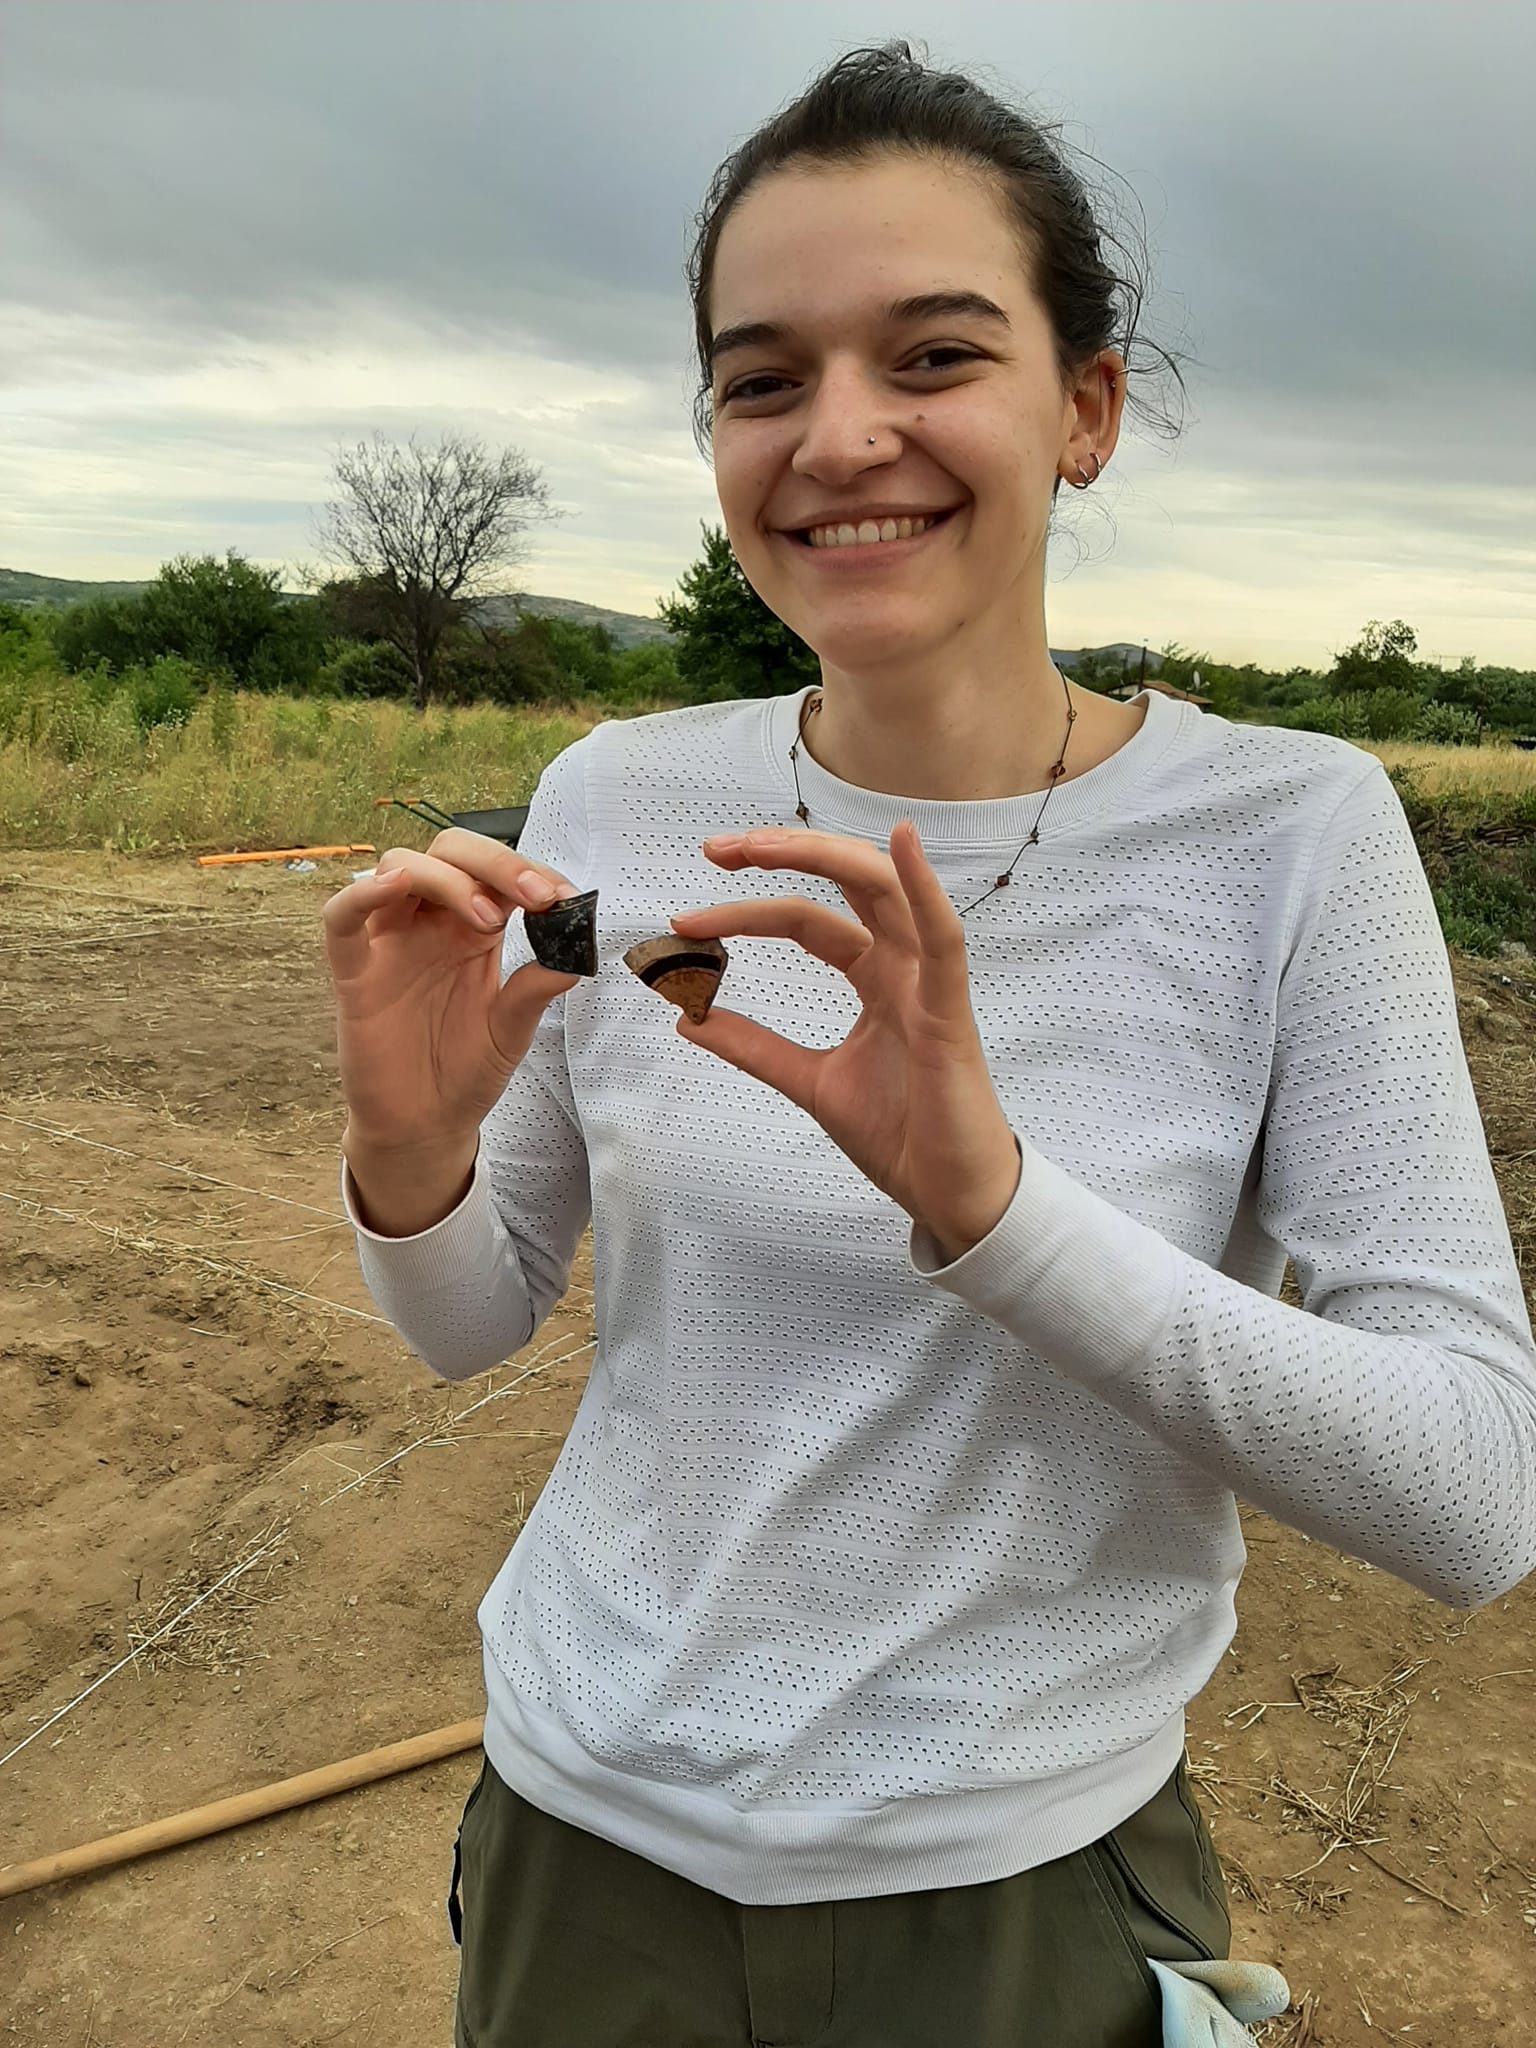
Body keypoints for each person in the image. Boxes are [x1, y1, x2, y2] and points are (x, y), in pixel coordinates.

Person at [323, 40, 1536, 2048]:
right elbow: (467, 1322)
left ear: (1086, 410)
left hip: (1018, 1897)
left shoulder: (1290, 835)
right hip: (579, 1848)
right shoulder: (616, 794)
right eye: (762, 379)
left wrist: (993, 1205)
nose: (838, 437)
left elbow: (1474, 1490)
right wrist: (409, 1149)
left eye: (936, 355)